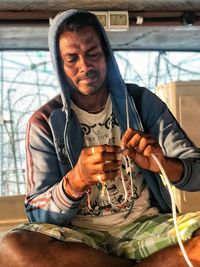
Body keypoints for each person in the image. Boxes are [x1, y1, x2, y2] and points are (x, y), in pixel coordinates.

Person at [0, 9, 200, 267]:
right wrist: (75, 181)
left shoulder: (141, 102)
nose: (85, 66)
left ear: (106, 53)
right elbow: (38, 214)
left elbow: (196, 172)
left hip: (146, 226)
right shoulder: (44, 122)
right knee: (11, 247)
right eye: (72, 59)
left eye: (92, 53)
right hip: (80, 240)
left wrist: (163, 164)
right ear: (59, 66)